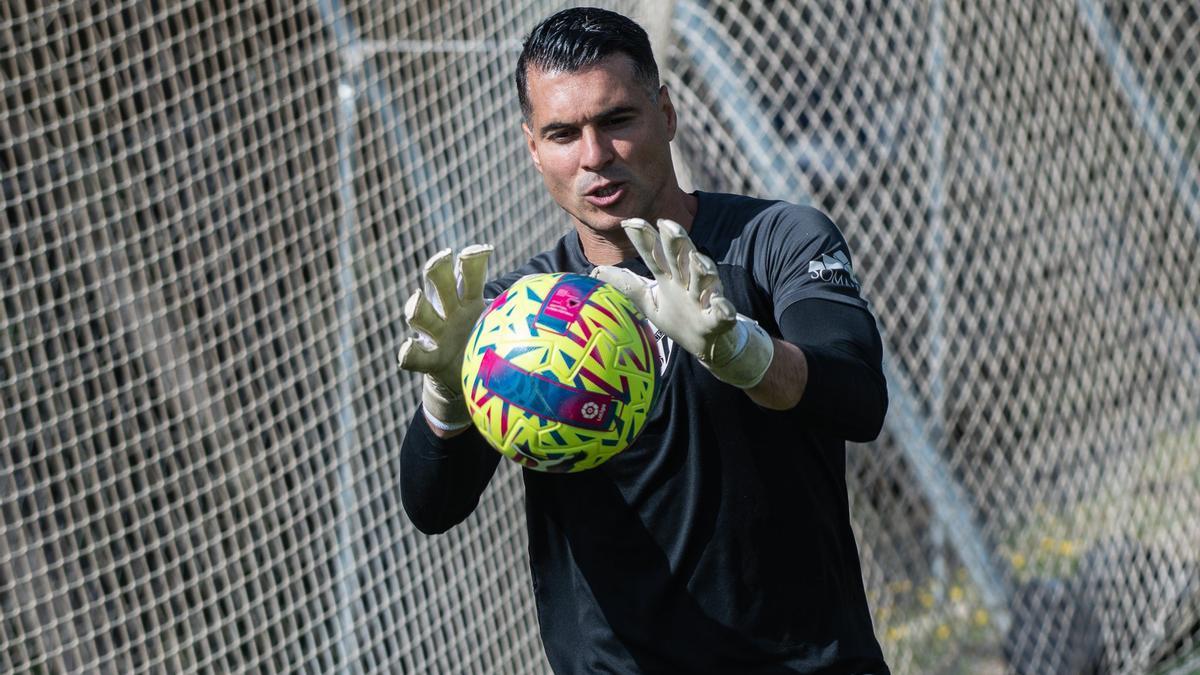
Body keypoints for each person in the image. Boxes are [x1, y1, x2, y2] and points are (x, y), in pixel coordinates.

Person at [398, 7, 890, 674]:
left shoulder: (775, 242)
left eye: (617, 121)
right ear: (532, 147)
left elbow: (858, 397)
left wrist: (743, 353)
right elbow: (434, 506)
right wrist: (448, 398)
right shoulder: (525, 318)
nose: (594, 156)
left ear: (666, 111)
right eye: (563, 133)